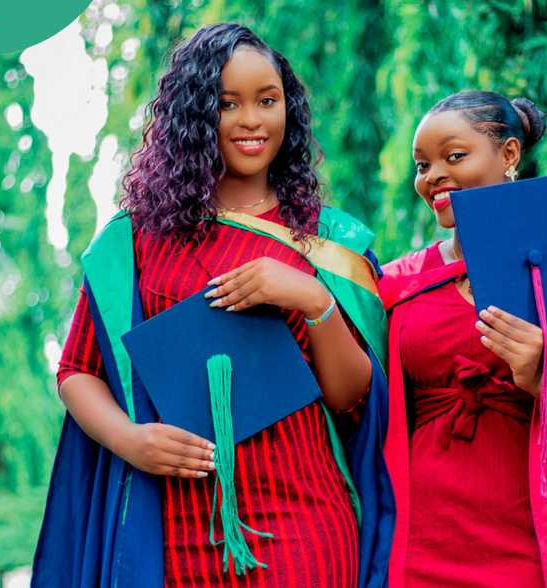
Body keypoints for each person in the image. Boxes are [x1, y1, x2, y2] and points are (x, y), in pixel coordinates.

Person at [32, 23, 388, 588]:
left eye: (268, 101)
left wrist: (309, 296)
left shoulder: (328, 242)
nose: (252, 120)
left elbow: (351, 399)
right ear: (196, 117)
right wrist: (131, 441)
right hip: (172, 530)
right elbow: (77, 370)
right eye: (228, 105)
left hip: (304, 523)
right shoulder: (136, 241)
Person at [375, 91, 547, 588]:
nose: (432, 176)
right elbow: (366, 415)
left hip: (535, 546)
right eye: (422, 165)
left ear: (509, 154)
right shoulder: (399, 285)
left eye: (454, 156)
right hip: (419, 547)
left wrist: (543, 381)